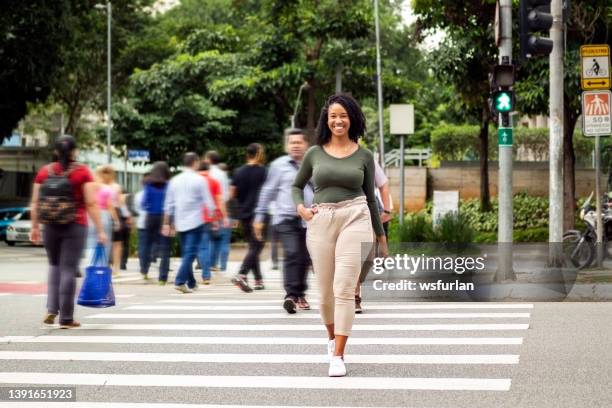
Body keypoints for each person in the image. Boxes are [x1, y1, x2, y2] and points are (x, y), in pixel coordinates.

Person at [292, 93, 388, 377]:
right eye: (333, 116)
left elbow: (371, 198)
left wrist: (381, 238)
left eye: (343, 116)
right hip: (321, 219)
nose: (338, 121)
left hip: (356, 216)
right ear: (327, 119)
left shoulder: (364, 155)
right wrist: (301, 208)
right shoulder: (314, 153)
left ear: (352, 119)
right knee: (324, 295)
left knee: (344, 288)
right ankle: (331, 339)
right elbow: (297, 186)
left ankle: (339, 355)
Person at [30, 135, 107, 329]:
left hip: (50, 225)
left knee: (54, 265)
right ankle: (66, 318)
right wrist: (100, 230)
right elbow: (90, 203)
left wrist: (34, 227)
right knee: (68, 269)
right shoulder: (82, 172)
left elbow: (35, 203)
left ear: (56, 151)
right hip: (75, 224)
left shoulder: (44, 172)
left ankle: (51, 309)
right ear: (74, 151)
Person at [254, 128, 313, 313]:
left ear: (306, 145)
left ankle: (300, 293)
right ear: (287, 145)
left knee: (304, 257)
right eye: (292, 142)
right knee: (292, 253)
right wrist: (259, 217)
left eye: (299, 142)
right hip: (286, 218)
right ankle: (291, 295)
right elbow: (267, 191)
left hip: (309, 219)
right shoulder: (278, 166)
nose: (295, 145)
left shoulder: (313, 164)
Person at [162, 152, 214, 293]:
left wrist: (166, 223)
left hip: (180, 222)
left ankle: (191, 283)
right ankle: (180, 281)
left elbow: (168, 205)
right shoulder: (199, 180)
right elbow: (208, 202)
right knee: (191, 253)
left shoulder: (174, 181)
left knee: (187, 253)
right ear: (195, 163)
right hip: (196, 221)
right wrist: (213, 217)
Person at [355, 159, 392, 313]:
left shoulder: (365, 157)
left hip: (369, 208)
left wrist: (387, 209)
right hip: (343, 211)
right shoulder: (328, 153)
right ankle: (354, 295)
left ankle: (354, 284)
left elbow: (383, 184)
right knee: (351, 256)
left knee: (368, 258)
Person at [230, 143, 268, 292]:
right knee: (257, 247)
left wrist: (234, 216)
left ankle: (258, 280)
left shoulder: (238, 172)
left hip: (244, 214)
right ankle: (242, 274)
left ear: (247, 154)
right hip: (260, 215)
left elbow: (232, 195)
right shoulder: (265, 172)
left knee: (253, 247)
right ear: (260, 154)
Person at [141, 162, 172, 283]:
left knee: (147, 245)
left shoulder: (148, 184)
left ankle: (145, 270)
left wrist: (150, 207)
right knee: (165, 248)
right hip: (165, 218)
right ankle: (162, 278)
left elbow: (143, 203)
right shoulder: (168, 185)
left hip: (150, 217)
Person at [197, 161, 227, 284]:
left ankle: (204, 274)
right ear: (208, 170)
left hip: (195, 218)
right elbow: (220, 201)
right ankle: (207, 274)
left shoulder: (195, 181)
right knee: (209, 244)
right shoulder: (214, 182)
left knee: (201, 247)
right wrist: (223, 217)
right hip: (210, 217)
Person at [204, 151, 231, 274]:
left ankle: (208, 265)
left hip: (205, 211)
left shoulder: (205, 174)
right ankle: (221, 266)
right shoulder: (222, 174)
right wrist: (224, 214)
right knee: (222, 239)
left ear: (208, 159)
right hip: (219, 209)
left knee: (208, 239)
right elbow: (224, 196)